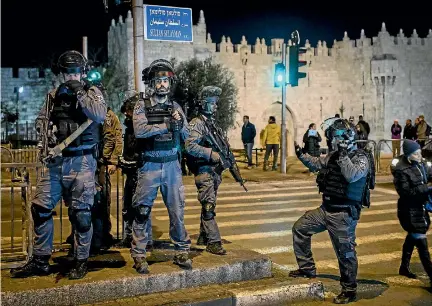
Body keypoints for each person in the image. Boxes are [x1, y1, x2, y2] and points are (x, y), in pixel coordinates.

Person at [10, 50, 107, 279]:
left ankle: (81, 260)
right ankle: (41, 260)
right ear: (61, 73)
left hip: (82, 161)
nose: (71, 76)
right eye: (67, 72)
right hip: (57, 161)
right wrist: (46, 138)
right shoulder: (53, 95)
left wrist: (79, 92)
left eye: (75, 72)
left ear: (82, 72)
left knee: (81, 214)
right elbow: (42, 121)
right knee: (40, 208)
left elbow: (99, 114)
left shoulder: (92, 92)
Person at [290, 117, 374, 304]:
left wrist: (344, 154)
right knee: (300, 228)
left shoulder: (361, 158)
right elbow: (316, 163)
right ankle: (307, 269)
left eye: (336, 137)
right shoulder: (334, 155)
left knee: (345, 253)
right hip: (325, 209)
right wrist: (301, 155)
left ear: (347, 137)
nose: (333, 140)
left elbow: (351, 175)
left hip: (343, 215)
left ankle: (349, 289)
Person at [131, 59, 191, 274]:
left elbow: (186, 135)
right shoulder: (142, 105)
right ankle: (139, 253)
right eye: (158, 80)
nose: (162, 84)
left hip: (172, 166)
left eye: (165, 80)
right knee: (142, 211)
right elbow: (140, 131)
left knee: (176, 211)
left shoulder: (175, 107)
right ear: (152, 83)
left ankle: (182, 249)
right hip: (150, 165)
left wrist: (180, 123)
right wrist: (166, 124)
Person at [185, 86, 227, 255]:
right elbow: (190, 146)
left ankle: (204, 236)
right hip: (203, 170)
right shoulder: (197, 124)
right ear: (203, 104)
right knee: (209, 205)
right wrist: (211, 154)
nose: (215, 106)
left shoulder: (210, 124)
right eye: (212, 103)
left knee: (209, 204)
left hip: (213, 172)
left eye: (216, 103)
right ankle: (214, 241)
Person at [390, 140, 432, 290]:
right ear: (408, 155)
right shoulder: (401, 172)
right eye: (416, 153)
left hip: (420, 209)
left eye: (420, 152)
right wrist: (427, 188)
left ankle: (404, 267)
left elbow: (429, 175)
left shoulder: (420, 165)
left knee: (412, 238)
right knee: (422, 244)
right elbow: (406, 193)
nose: (420, 155)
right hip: (409, 211)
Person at [116, 93, 153, 249]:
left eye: (128, 111)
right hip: (131, 173)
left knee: (141, 207)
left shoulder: (141, 128)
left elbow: (140, 151)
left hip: (140, 172)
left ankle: (146, 239)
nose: (126, 114)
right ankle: (130, 235)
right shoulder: (130, 127)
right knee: (128, 207)